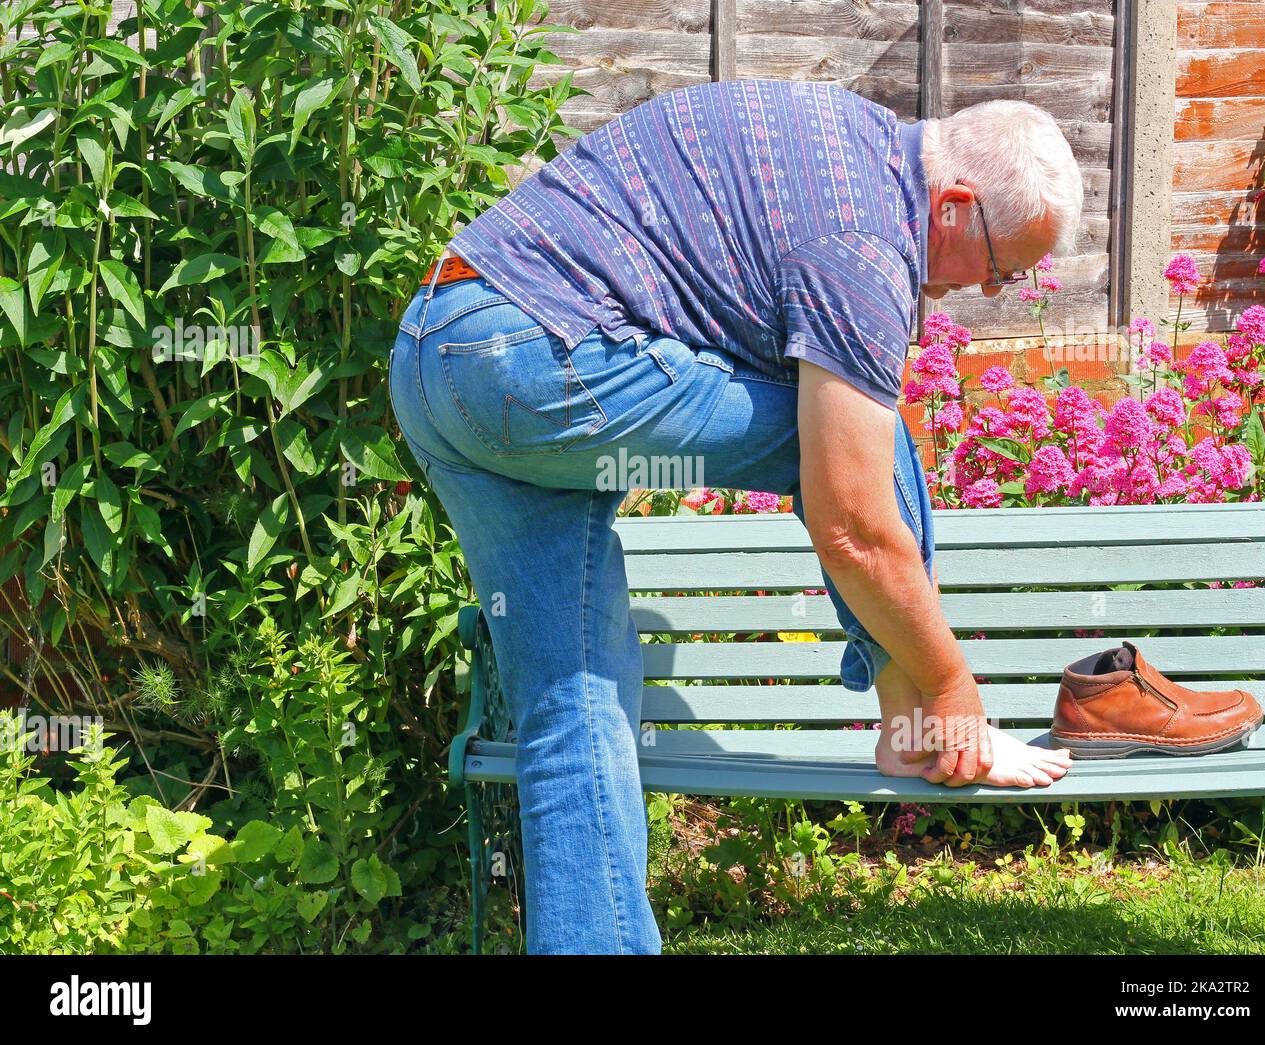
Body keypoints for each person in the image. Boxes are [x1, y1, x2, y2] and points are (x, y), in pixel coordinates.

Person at [388, 80, 1082, 954]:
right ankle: (917, 728)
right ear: (952, 205)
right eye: (1000, 267)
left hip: (434, 355)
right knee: (859, 453)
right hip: (532, 357)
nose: (980, 290)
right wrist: (951, 689)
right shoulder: (865, 246)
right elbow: (854, 525)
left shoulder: (846, 134)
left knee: (574, 698)